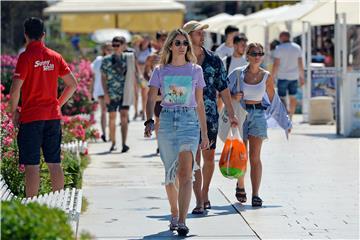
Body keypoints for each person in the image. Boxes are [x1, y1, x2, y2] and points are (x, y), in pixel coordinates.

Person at [144, 28, 209, 236]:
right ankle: (174, 212)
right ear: (170, 45)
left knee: (185, 173)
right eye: (178, 43)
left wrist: (205, 134)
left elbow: (199, 103)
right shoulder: (160, 70)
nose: (182, 46)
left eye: (185, 43)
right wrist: (148, 121)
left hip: (189, 122)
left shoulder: (195, 70)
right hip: (167, 122)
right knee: (170, 175)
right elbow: (150, 97)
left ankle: (182, 220)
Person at [9, 17, 78, 198]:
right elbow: (72, 84)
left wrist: (13, 112)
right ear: (43, 35)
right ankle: (59, 206)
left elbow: (15, 90)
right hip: (52, 118)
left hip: (31, 118)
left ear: (26, 35)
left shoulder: (25, 57)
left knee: (32, 165)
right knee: (54, 163)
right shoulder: (55, 57)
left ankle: (32, 207)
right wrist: (57, 104)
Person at [183, 20, 238, 214]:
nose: (203, 36)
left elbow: (223, 88)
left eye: (203, 33)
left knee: (208, 157)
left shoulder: (215, 60)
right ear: (188, 36)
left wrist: (231, 113)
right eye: (199, 33)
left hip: (210, 115)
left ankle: (205, 192)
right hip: (187, 116)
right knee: (194, 159)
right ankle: (198, 199)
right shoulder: (181, 60)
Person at [228, 43, 276, 207]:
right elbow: (223, 92)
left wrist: (285, 121)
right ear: (247, 55)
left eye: (260, 53)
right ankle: (240, 185)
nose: (257, 56)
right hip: (240, 113)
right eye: (254, 53)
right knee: (242, 155)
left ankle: (256, 194)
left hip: (257, 115)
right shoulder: (237, 73)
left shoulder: (267, 76)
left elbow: (273, 99)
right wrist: (234, 96)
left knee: (255, 157)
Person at [101, 36, 133, 153]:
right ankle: (113, 142)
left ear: (124, 46)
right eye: (113, 45)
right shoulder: (106, 60)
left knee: (124, 117)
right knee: (112, 118)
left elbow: (134, 75)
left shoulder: (128, 59)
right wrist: (106, 94)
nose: (115, 47)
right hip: (111, 93)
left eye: (117, 45)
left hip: (125, 93)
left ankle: (124, 143)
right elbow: (103, 78)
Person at [144, 31, 168, 154]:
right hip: (157, 90)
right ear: (157, 41)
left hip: (170, 88)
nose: (164, 42)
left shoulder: (172, 56)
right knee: (158, 118)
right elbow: (145, 72)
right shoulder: (152, 57)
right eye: (162, 39)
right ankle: (159, 144)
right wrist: (152, 82)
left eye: (166, 39)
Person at [271, 31, 304, 120]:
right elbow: (300, 63)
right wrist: (302, 77)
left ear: (282, 37)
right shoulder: (297, 47)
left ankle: (285, 114)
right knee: (293, 97)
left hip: (282, 76)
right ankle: (291, 116)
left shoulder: (279, 48)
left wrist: (272, 77)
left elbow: (276, 64)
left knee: (282, 98)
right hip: (294, 76)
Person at [90, 42, 112, 142]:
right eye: (107, 48)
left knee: (112, 112)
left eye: (111, 48)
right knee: (103, 111)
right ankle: (104, 133)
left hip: (112, 89)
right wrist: (91, 91)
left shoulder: (114, 60)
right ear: (103, 50)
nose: (109, 50)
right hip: (100, 88)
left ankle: (111, 133)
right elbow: (93, 77)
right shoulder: (98, 60)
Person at [136, 35, 153, 120]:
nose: (146, 41)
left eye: (148, 40)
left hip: (146, 75)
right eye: (145, 39)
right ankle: (138, 111)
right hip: (138, 74)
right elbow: (135, 62)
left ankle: (144, 112)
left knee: (145, 95)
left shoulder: (151, 50)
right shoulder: (138, 50)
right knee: (137, 95)